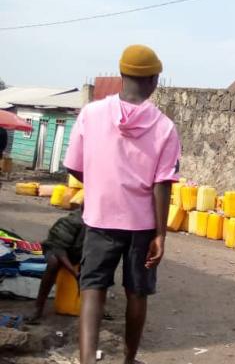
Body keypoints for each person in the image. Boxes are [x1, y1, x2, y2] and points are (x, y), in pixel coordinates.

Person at [63, 44, 181, 364]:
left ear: (121, 75)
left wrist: (101, 184)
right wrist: (161, 235)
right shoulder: (165, 128)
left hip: (100, 217)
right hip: (142, 225)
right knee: (137, 292)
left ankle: (87, 359)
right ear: (155, 80)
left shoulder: (91, 113)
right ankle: (129, 359)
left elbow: (74, 165)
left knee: (92, 288)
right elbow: (162, 184)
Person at [28, 208, 85, 322]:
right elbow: (58, 249)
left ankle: (98, 305)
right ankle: (38, 307)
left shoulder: (100, 223)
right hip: (57, 250)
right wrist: (74, 272)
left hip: (78, 253)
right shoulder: (70, 222)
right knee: (54, 263)